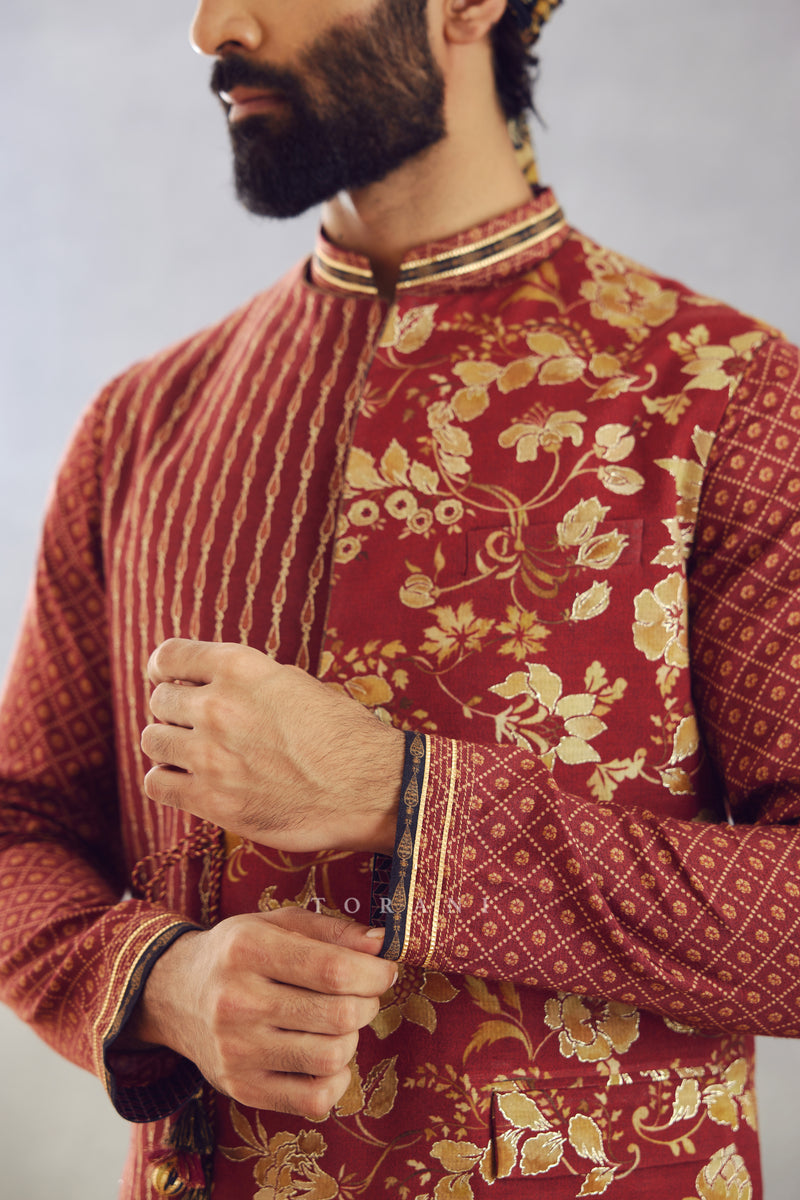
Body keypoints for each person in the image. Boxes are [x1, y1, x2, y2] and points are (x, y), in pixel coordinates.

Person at [1, 0, 799, 1197]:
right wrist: (161, 981)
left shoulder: (723, 400)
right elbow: (18, 827)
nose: (212, 26)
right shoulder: (141, 425)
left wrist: (402, 799)